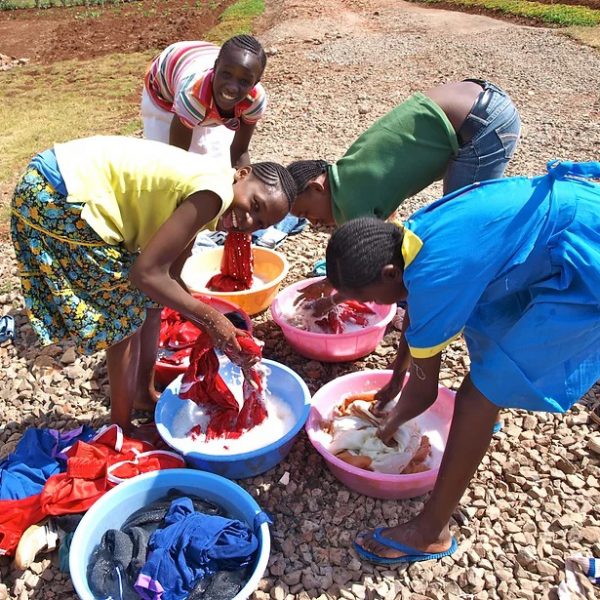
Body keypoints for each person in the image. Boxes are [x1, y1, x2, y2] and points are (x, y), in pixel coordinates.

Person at [322, 160, 600, 564]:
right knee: (485, 319)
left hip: (585, 251)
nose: (371, 306)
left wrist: (388, 427)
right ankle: (477, 428)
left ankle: (430, 531)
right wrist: (396, 377)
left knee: (475, 397)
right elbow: (418, 317)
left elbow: (425, 393)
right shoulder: (410, 241)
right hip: (564, 222)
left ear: (386, 274)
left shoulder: (435, 275)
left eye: (367, 297)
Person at [10, 135, 296, 439]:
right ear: (242, 173)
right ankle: (120, 429)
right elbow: (145, 274)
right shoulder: (214, 194)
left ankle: (143, 395)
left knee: (147, 302)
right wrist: (213, 321)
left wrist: (212, 320)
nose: (248, 221)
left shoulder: (215, 191)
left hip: (56, 182)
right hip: (55, 195)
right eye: (254, 204)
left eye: (260, 223)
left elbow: (167, 278)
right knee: (122, 314)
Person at [288, 78, 521, 310]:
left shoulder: (349, 202)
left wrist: (331, 296)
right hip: (478, 97)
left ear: (317, 187)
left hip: (483, 126)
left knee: (458, 229)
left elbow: (377, 264)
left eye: (307, 212)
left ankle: (473, 300)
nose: (313, 222)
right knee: (455, 219)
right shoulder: (349, 170)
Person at [142, 35, 268, 167]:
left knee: (216, 161)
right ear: (215, 67)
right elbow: (177, 159)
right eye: (226, 74)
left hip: (201, 61)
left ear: (255, 83)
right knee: (164, 160)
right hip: (165, 82)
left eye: (244, 81)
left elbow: (240, 151)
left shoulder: (254, 100)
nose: (232, 87)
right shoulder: (191, 94)